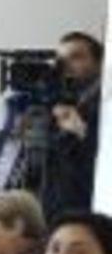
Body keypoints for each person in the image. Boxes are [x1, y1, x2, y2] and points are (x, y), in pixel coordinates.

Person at [39, 31, 104, 218]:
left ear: (100, 62)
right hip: (55, 208)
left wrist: (82, 131)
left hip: (87, 208)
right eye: (60, 59)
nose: (65, 65)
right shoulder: (60, 100)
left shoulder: (104, 104)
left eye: (76, 57)